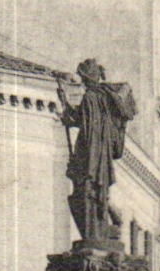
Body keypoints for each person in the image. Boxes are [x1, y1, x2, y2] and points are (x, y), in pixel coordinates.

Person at [56, 58, 137, 244]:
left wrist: (66, 106)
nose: (82, 82)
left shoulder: (91, 98)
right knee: (93, 192)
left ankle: (97, 227)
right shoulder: (103, 98)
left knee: (85, 191)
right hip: (99, 154)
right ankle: (102, 223)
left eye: (83, 78)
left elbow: (82, 123)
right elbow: (83, 120)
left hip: (91, 154)